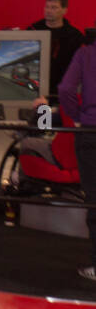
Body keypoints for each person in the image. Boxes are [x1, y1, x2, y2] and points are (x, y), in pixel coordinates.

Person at [59, 32, 96, 283]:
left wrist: (78, 116)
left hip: (91, 131)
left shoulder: (86, 54)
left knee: (94, 198)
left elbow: (66, 89)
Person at [28, 0, 84, 97]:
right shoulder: (33, 30)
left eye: (54, 7)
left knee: (57, 113)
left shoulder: (74, 36)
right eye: (47, 7)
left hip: (63, 88)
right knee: (43, 112)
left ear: (64, 10)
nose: (48, 11)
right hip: (36, 87)